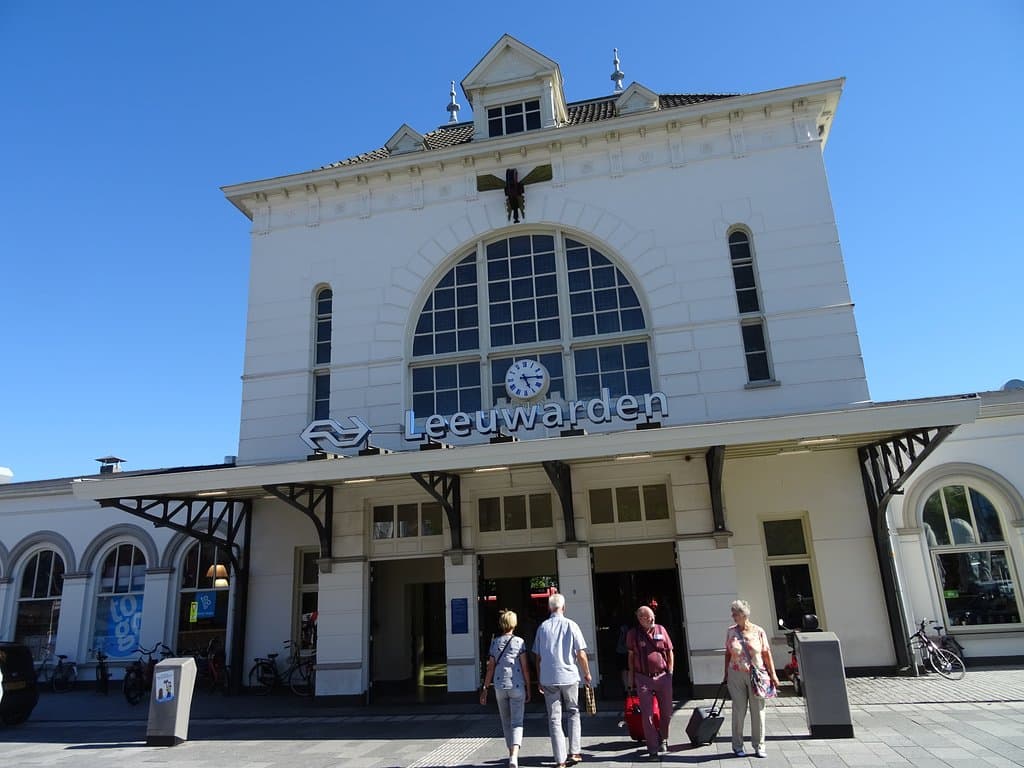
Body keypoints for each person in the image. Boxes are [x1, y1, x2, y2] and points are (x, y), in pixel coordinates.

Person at [533, 592, 592, 768]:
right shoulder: (571, 625)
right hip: (569, 676)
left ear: (549, 608)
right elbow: (580, 653)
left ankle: (559, 760)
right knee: (573, 712)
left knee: (554, 718)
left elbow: (537, 657)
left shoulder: (542, 627)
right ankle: (575, 751)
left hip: (549, 678)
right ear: (564, 607)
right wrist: (587, 673)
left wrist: (539, 677)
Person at [723, 599, 779, 758]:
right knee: (739, 710)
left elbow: (767, 654)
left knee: (758, 711)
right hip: (736, 675)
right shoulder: (731, 631)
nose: (733, 616)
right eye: (733, 613)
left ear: (744, 614)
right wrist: (725, 673)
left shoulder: (759, 631)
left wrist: (773, 674)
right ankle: (737, 745)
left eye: (735, 613)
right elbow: (727, 653)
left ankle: (759, 745)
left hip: (757, 675)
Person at [480, 609, 532, 768]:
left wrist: (485, 688)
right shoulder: (520, 642)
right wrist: (529, 687)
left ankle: (510, 752)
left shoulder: (495, 643)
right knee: (517, 722)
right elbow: (524, 667)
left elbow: (490, 667)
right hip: (517, 685)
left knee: (506, 721)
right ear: (514, 624)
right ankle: (514, 757)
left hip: (499, 686)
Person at [627, 604, 674, 757]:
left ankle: (664, 738)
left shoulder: (661, 630)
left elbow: (670, 651)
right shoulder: (633, 634)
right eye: (648, 617)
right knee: (647, 714)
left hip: (662, 676)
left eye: (652, 616)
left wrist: (670, 672)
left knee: (666, 712)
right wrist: (631, 678)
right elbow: (631, 657)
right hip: (643, 677)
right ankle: (652, 747)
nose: (652, 619)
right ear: (641, 619)